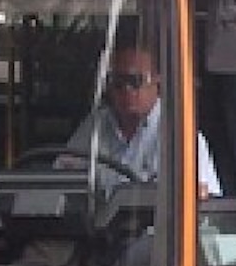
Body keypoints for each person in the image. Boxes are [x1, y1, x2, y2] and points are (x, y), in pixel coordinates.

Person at [65, 46, 222, 198]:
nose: (127, 90)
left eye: (135, 81)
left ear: (157, 81)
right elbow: (61, 181)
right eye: (118, 81)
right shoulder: (96, 125)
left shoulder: (180, 134)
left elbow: (203, 204)